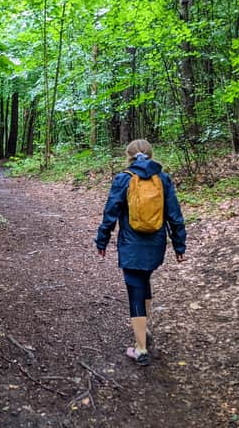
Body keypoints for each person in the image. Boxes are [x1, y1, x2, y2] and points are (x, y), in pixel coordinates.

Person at [94, 139, 186, 366]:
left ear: (129, 156)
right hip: (155, 243)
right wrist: (179, 244)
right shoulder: (162, 179)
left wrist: (102, 240)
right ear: (151, 154)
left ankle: (141, 348)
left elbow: (111, 212)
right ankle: (143, 330)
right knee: (144, 281)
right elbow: (174, 213)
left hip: (130, 243)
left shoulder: (123, 178)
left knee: (135, 290)